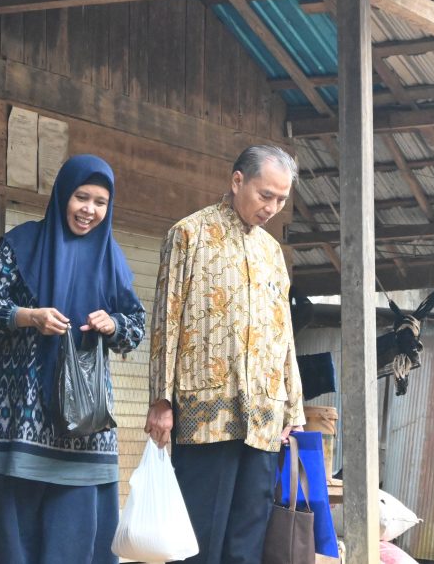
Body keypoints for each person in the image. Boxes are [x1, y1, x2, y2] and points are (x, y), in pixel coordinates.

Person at [145, 144, 306, 564]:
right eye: (265, 195)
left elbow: (284, 333)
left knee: (247, 541)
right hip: (206, 416)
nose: (272, 207)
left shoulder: (273, 253)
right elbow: (166, 319)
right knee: (199, 537)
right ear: (237, 181)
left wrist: (293, 409)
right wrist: (161, 400)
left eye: (281, 199)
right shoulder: (189, 234)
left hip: (265, 418)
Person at [0, 155, 145, 564]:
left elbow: (136, 324)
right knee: (16, 541)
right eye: (81, 197)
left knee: (75, 545)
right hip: (20, 423)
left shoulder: (112, 259)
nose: (89, 210)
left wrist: (114, 324)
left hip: (85, 431)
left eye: (100, 202)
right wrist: (27, 316)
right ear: (62, 196)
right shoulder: (20, 245)